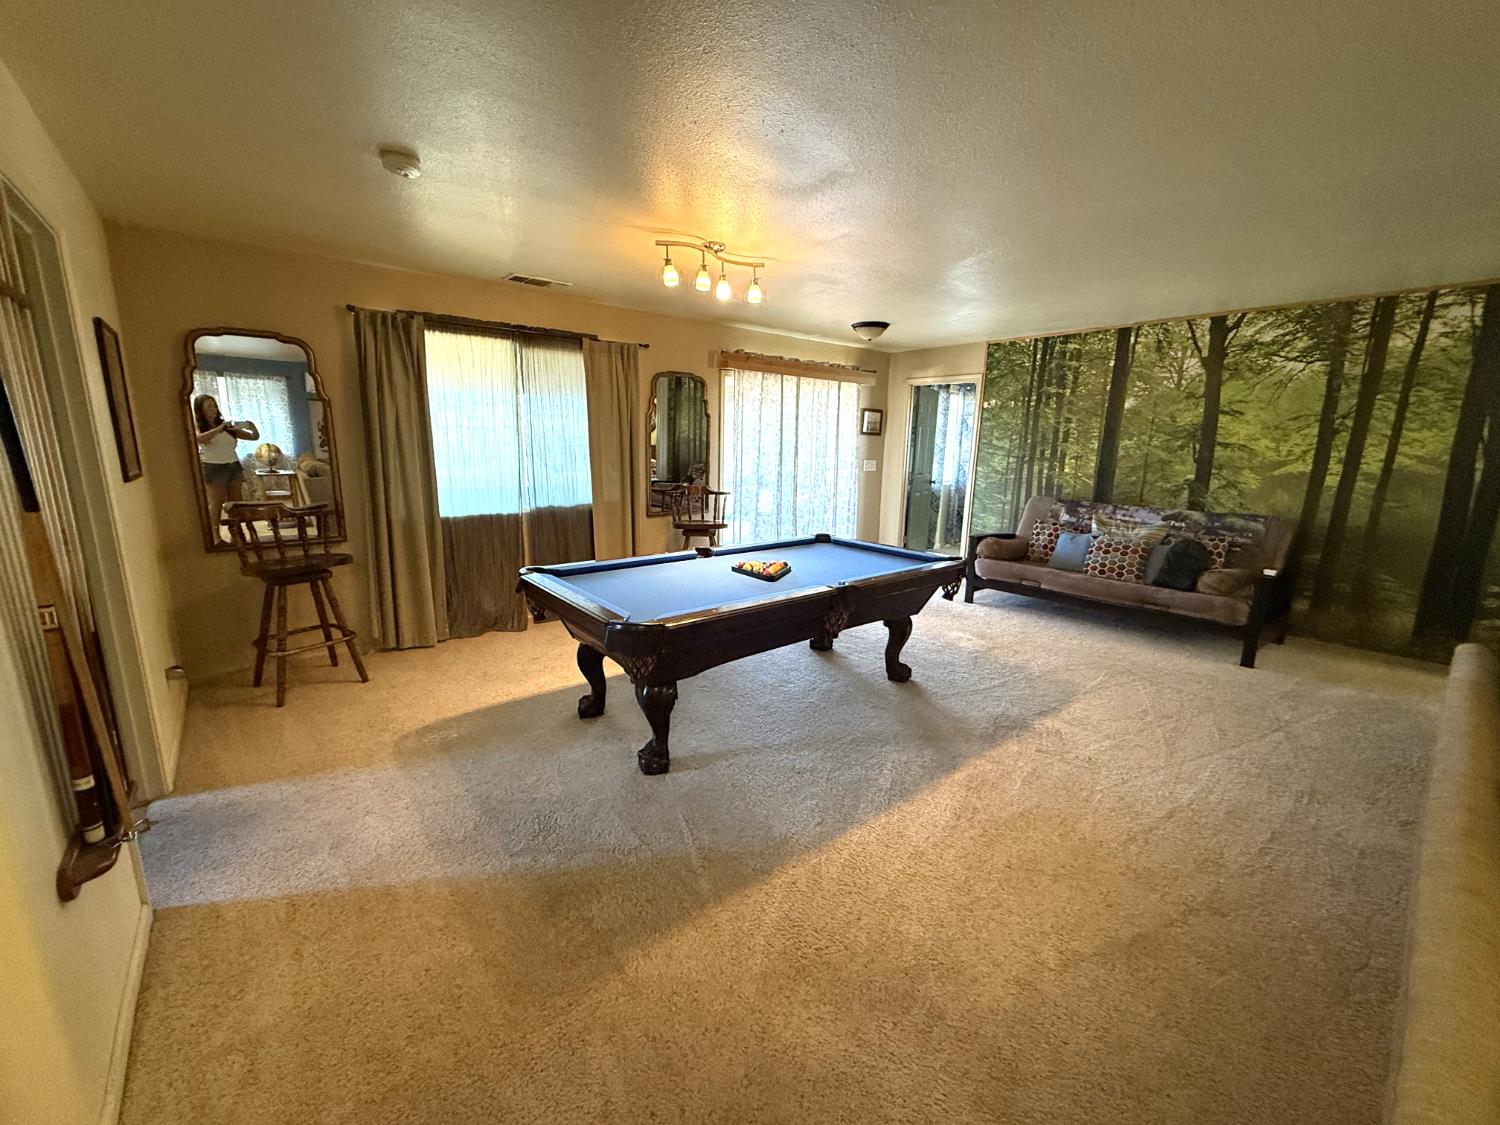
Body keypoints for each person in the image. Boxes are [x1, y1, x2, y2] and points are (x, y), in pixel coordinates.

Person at [193, 394, 259, 533]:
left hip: (233, 465)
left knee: (235, 502)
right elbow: (200, 439)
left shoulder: (228, 427)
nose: (213, 409)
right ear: (200, 410)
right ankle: (215, 534)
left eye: (214, 406)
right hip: (214, 466)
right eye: (208, 406)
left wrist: (252, 427)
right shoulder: (200, 426)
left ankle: (236, 531)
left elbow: (253, 437)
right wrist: (219, 428)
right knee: (216, 502)